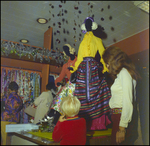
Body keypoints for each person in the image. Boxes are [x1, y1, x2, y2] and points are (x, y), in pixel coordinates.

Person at [68, 17, 111, 130]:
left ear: (91, 26)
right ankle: (84, 122)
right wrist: (75, 69)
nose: (87, 26)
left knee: (94, 91)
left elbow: (103, 54)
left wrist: (105, 69)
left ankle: (97, 123)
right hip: (82, 69)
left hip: (93, 68)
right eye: (85, 24)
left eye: (89, 24)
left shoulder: (97, 39)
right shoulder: (82, 42)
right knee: (82, 94)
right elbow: (80, 58)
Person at [102, 46, 141, 145]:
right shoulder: (123, 73)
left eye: (107, 63)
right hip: (118, 117)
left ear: (113, 61)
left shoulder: (124, 72)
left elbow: (128, 101)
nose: (106, 66)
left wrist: (122, 129)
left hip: (121, 117)